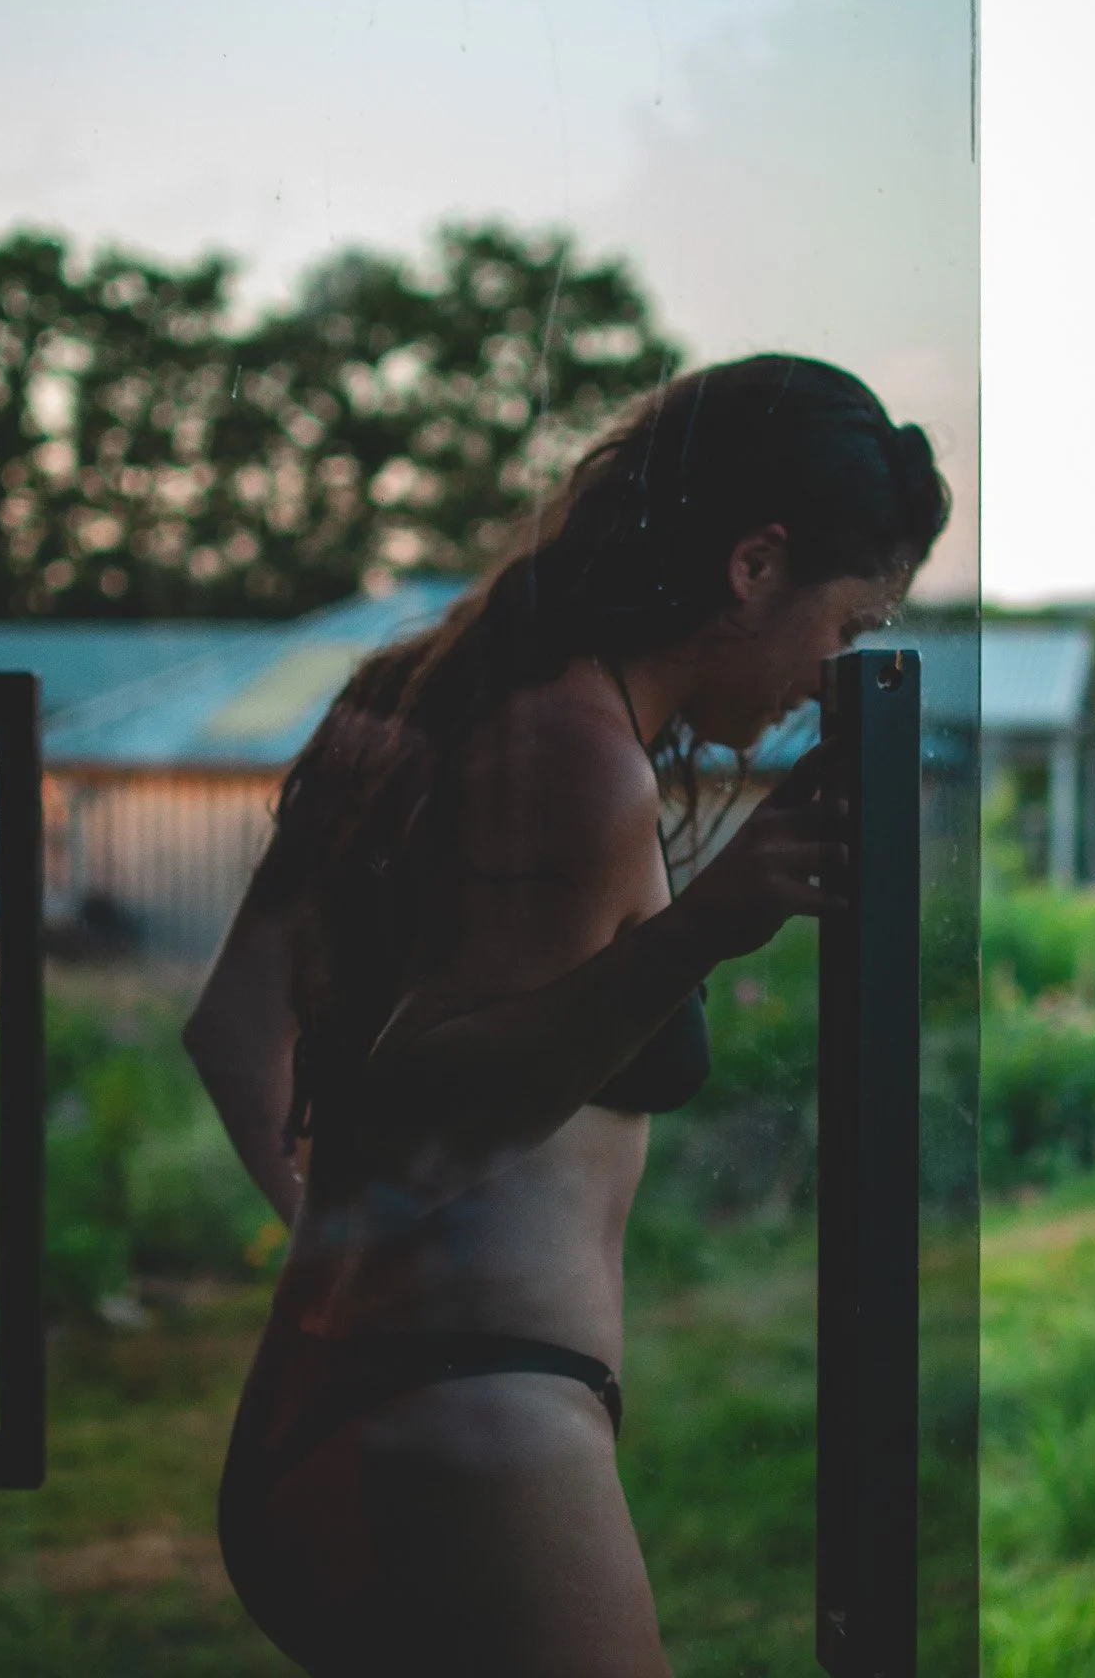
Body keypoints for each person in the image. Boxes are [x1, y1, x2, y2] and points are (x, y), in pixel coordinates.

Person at [183, 356, 951, 1678]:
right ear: (753, 565)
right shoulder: (577, 761)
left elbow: (233, 1032)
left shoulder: (418, 696)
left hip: (353, 1394)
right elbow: (426, 1113)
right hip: (470, 1429)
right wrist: (703, 929)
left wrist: (349, 1268)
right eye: (845, 625)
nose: (833, 676)